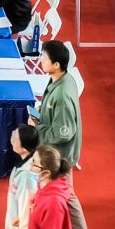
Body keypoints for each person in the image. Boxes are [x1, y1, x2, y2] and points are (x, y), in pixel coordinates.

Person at [33, 41, 82, 170]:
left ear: (56, 65)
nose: (41, 60)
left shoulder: (62, 96)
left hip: (59, 156)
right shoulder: (61, 77)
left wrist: (37, 128)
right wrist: (41, 110)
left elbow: (62, 134)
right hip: (54, 147)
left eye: (45, 58)